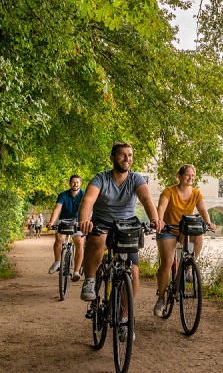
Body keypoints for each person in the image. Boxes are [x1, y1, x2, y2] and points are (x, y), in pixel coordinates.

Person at [77, 142, 162, 340]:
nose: (127, 159)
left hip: (126, 228)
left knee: (133, 273)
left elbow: (146, 200)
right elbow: (88, 200)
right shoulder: (101, 178)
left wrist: (155, 219)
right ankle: (90, 281)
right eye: (122, 155)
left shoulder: (136, 179)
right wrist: (84, 220)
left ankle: (124, 318)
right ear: (112, 158)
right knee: (98, 239)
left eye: (130, 155)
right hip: (103, 224)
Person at [153, 164, 215, 317]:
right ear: (180, 176)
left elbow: (202, 210)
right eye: (187, 175)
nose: (190, 178)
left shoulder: (196, 193)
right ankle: (161, 300)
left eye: (193, 176)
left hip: (184, 229)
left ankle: (187, 268)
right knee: (167, 262)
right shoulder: (169, 191)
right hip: (168, 229)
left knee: (198, 237)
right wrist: (160, 220)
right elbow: (161, 208)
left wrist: (208, 222)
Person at [47, 174, 86, 280]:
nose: (75, 184)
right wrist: (51, 222)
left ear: (81, 183)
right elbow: (57, 209)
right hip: (64, 221)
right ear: (70, 183)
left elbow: (89, 208)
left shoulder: (84, 194)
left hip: (78, 222)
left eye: (77, 182)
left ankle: (76, 271)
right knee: (59, 239)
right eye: (73, 182)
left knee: (79, 242)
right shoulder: (63, 195)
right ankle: (57, 261)